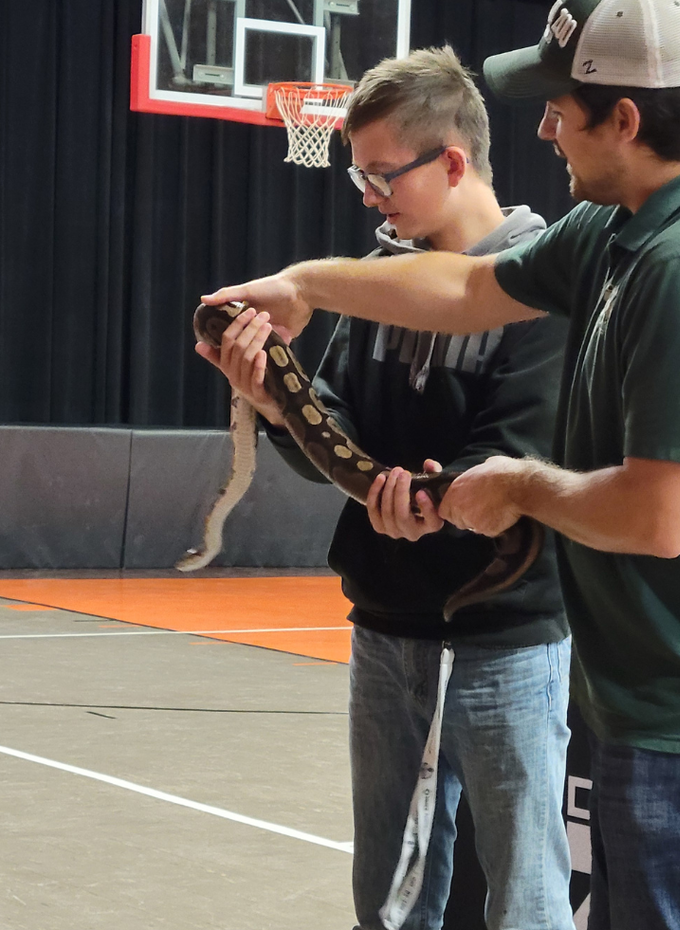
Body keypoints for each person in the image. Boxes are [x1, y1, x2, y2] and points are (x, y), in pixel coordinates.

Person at [205, 0, 680, 930]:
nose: (544, 130)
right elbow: (466, 291)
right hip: (656, 703)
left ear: (623, 119)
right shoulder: (620, 229)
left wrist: (518, 487)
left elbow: (660, 518)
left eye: (559, 106)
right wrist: (303, 287)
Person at [198, 46, 574, 930]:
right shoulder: (379, 275)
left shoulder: (544, 279)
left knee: (525, 896)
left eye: (380, 175)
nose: (368, 197)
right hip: (384, 630)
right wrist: (277, 405)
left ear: (451, 161)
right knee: (389, 900)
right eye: (358, 176)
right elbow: (338, 428)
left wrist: (432, 507)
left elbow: (513, 460)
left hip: (507, 640)